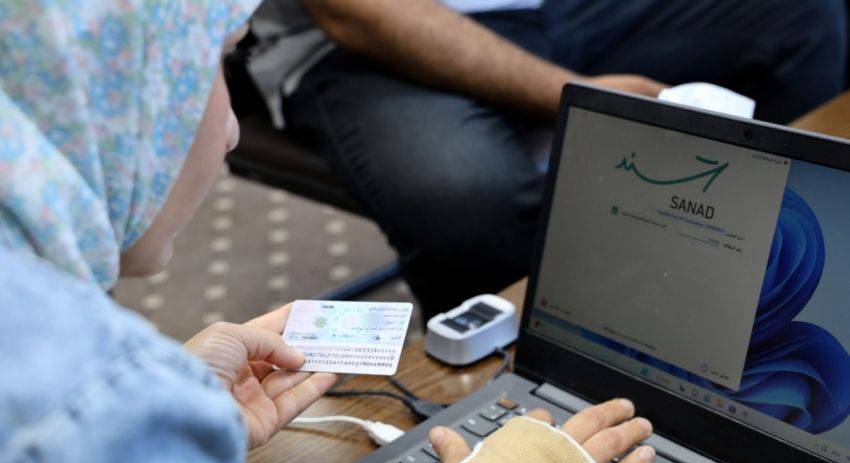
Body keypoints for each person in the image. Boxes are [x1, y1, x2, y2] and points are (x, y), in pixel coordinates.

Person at [0, 1, 654, 463]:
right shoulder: (88, 428)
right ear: (112, 95)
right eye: (215, 64)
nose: (230, 131)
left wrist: (179, 395)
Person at [248, 0, 848, 318]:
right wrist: (575, 95)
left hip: (549, 8)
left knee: (802, 16)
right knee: (465, 195)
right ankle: (516, 380)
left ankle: (754, 276)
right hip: (357, 44)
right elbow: (357, 11)